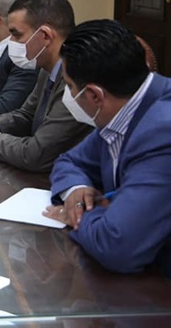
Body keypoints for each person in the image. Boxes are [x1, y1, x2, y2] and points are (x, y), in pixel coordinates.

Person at [43, 20, 171, 273]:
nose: (69, 94)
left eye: (70, 86)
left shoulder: (162, 131)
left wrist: (77, 215)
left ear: (94, 95)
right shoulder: (127, 106)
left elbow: (118, 245)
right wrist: (76, 190)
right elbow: (70, 160)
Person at [0, 0, 93, 172]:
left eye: (17, 35)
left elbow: (36, 154)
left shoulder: (76, 80)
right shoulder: (46, 69)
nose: (11, 41)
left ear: (45, 36)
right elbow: (26, 114)